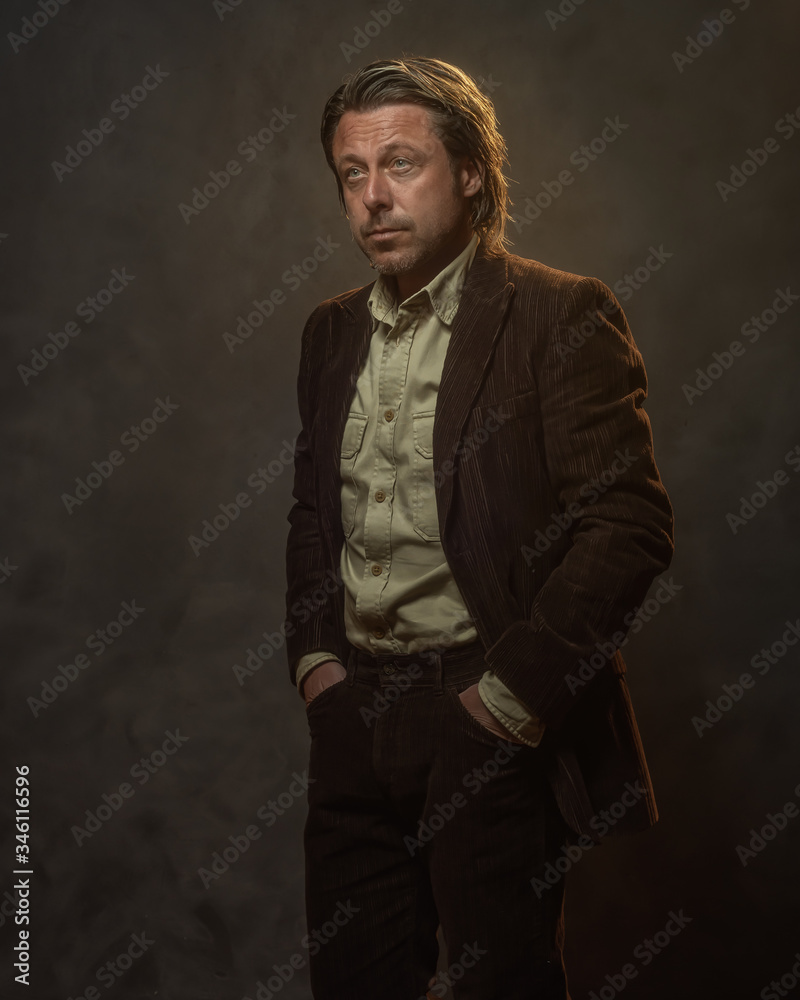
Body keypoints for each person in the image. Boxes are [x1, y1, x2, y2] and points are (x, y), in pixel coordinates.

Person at [284, 55, 674, 1000]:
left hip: (487, 710)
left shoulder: (559, 314)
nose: (374, 197)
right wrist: (317, 670)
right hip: (353, 720)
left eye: (402, 164)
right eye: (353, 173)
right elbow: (311, 514)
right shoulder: (330, 332)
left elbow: (626, 525)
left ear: (469, 172)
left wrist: (505, 702)